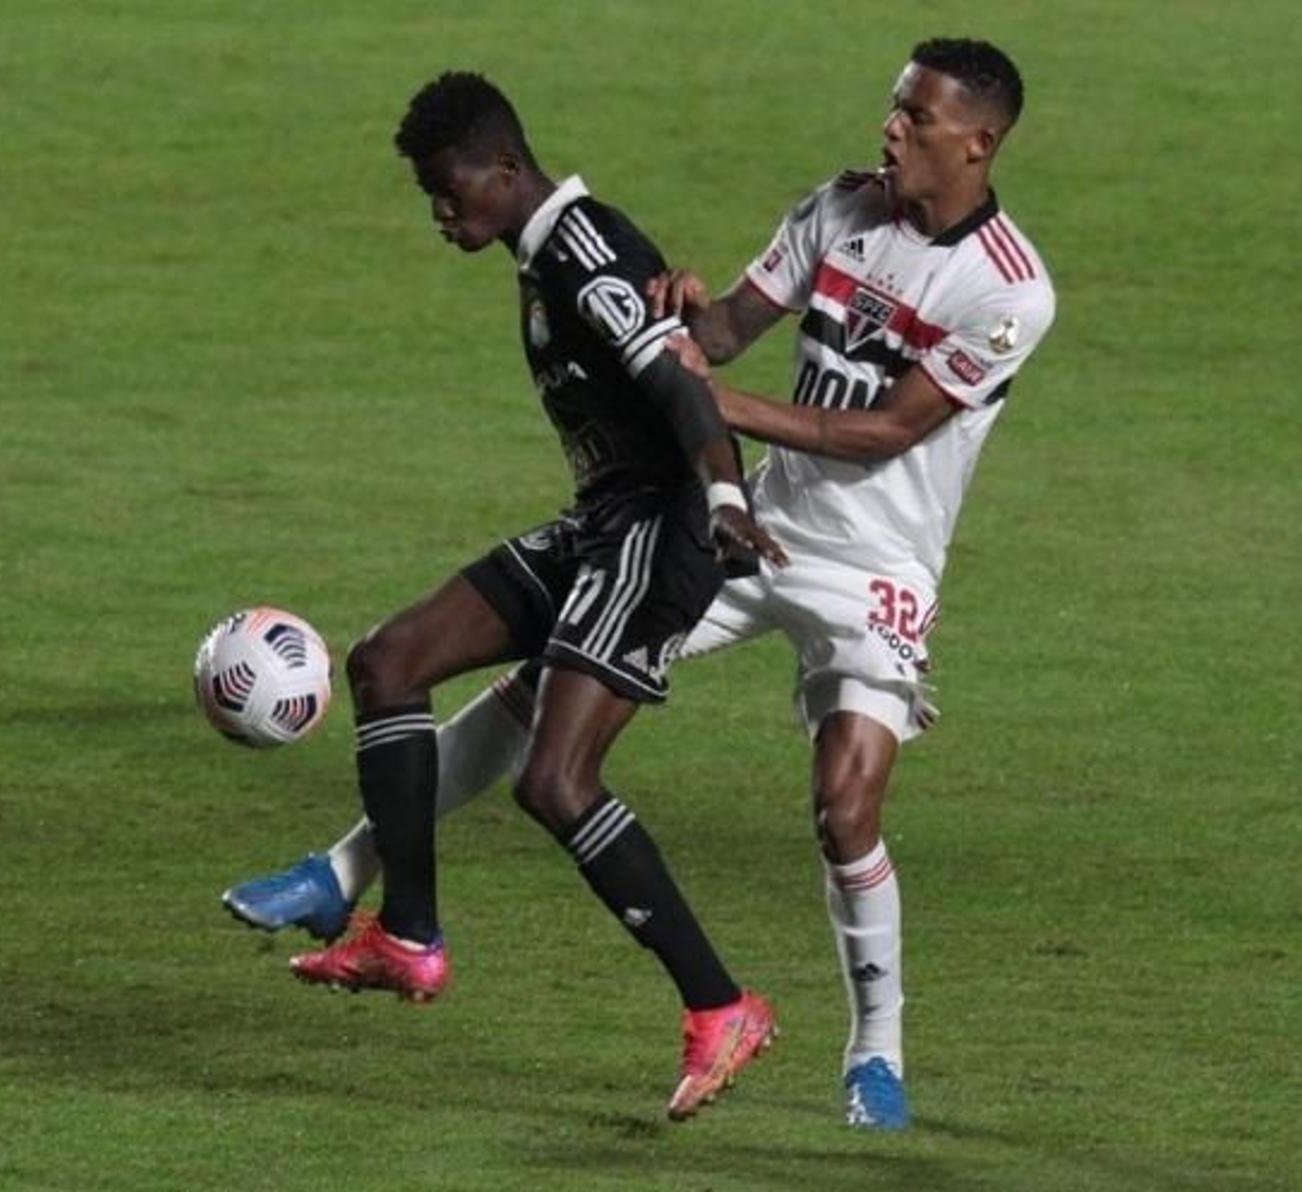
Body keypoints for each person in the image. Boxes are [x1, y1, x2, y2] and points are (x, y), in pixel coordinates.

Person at [225, 39, 1056, 1131]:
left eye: (915, 116)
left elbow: (883, 429)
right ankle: (352, 875)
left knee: (844, 806)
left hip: (879, 566)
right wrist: (684, 320)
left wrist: (699, 395)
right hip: (759, 523)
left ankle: (875, 1050)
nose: (890, 127)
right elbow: (717, 332)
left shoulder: (1010, 287)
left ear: (978, 140)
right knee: (542, 689)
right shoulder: (840, 209)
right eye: (895, 106)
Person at [282, 70, 788, 1122]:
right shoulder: (539, 256)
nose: (440, 211)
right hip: (604, 522)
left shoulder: (584, 253)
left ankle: (721, 1003)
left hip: (661, 529)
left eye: (450, 187)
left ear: (505, 168)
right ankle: (408, 937)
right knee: (388, 661)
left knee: (556, 781)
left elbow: (680, 378)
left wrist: (726, 493)